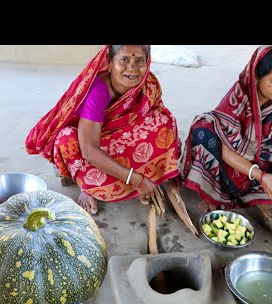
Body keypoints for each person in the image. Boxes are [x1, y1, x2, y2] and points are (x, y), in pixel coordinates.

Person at [26, 45, 181, 214]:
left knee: (163, 120)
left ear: (147, 61)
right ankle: (87, 187)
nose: (132, 68)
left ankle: (143, 177)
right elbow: (88, 150)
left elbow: (158, 111)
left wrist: (169, 153)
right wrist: (137, 179)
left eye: (139, 61)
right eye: (124, 60)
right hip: (89, 142)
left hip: (118, 138)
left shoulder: (147, 84)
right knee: (66, 139)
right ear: (109, 61)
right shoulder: (97, 91)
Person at [181, 45, 272, 213]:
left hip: (269, 161)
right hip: (236, 167)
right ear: (256, 77)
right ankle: (218, 194)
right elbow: (223, 148)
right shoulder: (239, 98)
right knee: (203, 130)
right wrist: (259, 175)